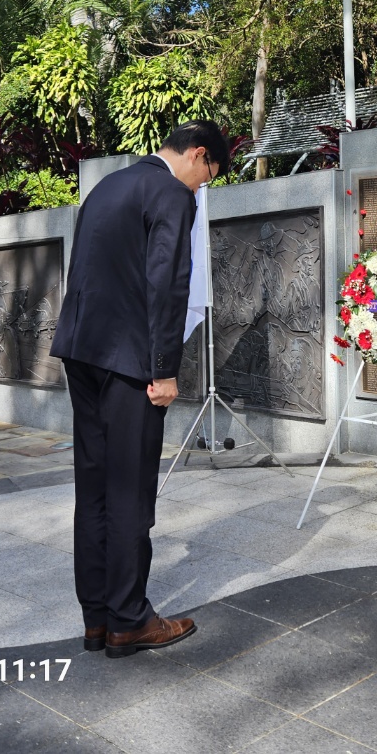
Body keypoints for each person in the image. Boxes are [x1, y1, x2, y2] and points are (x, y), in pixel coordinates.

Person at [50, 120, 229, 658]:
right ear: (197, 155)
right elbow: (167, 281)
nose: (202, 187)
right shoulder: (172, 194)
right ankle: (129, 621)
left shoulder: (108, 186)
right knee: (129, 491)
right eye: (209, 176)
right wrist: (164, 368)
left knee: (96, 488)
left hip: (82, 353)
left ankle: (97, 619)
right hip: (131, 364)